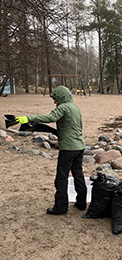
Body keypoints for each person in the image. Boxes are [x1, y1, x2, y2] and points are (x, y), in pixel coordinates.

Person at [16, 85, 87, 215]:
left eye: (55, 98)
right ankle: (81, 203)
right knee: (78, 174)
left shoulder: (63, 107)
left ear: (61, 97)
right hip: (79, 146)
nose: (54, 101)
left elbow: (50, 118)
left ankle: (60, 208)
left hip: (68, 148)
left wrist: (29, 118)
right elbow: (78, 126)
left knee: (61, 177)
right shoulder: (75, 108)